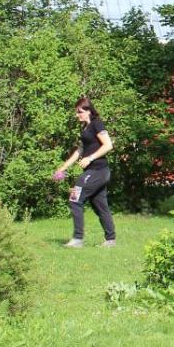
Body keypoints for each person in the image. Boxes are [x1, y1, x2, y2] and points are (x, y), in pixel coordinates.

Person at [53, 97, 116, 248]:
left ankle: (77, 239)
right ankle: (110, 240)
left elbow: (108, 145)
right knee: (100, 206)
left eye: (80, 112)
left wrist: (90, 158)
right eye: (77, 112)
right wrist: (63, 167)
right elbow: (80, 150)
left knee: (75, 198)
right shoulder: (85, 128)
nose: (77, 115)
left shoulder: (97, 124)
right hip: (95, 172)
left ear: (88, 111)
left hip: (98, 170)